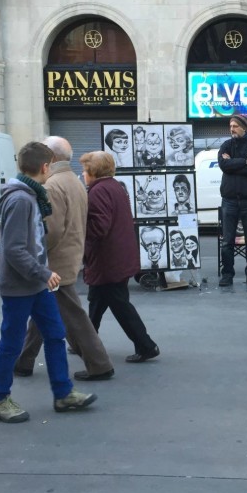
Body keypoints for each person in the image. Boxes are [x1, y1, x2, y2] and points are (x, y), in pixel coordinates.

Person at [0, 142, 96, 424]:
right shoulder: (22, 199)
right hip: (21, 285)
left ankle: (63, 393)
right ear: (45, 167)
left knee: (55, 334)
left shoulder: (29, 196)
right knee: (11, 342)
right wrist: (43, 272)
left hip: (34, 282)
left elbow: (29, 244)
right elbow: (14, 249)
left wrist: (41, 272)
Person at [14, 137, 115, 381]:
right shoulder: (74, 181)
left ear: (49, 157)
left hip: (55, 262)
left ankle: (99, 364)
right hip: (68, 257)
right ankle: (24, 361)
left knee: (73, 317)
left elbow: (51, 230)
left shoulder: (52, 185)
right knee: (43, 314)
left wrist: (35, 256)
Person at [81, 151, 160, 363]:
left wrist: (79, 231)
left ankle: (146, 345)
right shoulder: (114, 186)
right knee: (97, 301)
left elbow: (99, 227)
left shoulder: (98, 191)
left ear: (93, 171)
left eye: (84, 170)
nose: (82, 175)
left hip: (108, 260)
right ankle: (85, 341)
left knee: (119, 305)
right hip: (117, 256)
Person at [218, 114, 247, 287]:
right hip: (229, 201)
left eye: (235, 126)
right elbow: (223, 165)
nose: (232, 129)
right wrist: (244, 161)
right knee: (227, 241)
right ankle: (227, 275)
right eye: (230, 126)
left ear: (244, 127)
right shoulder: (226, 145)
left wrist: (234, 165)